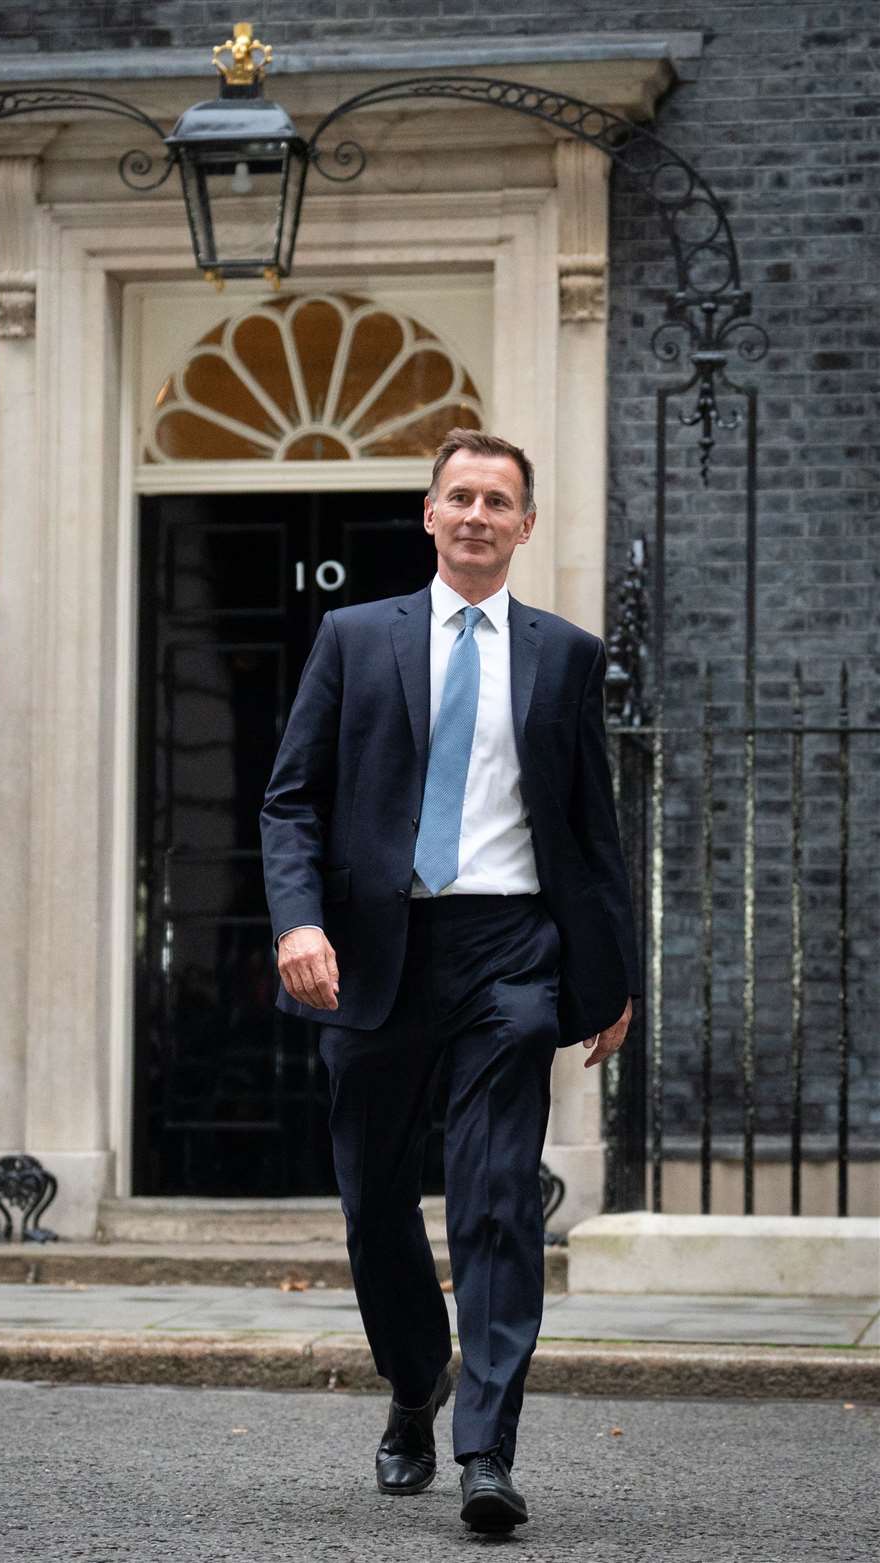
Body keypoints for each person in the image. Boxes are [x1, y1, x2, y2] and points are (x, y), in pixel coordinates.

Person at [260, 429, 639, 1534]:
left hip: (511, 956)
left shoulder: (566, 655)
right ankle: (416, 1380)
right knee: (378, 1204)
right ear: (428, 514)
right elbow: (292, 800)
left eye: (499, 501)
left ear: (526, 525)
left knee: (496, 1200)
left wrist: (609, 982)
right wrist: (299, 923)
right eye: (459, 496)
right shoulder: (352, 637)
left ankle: (486, 1449)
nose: (477, 514)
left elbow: (590, 832)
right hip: (378, 957)